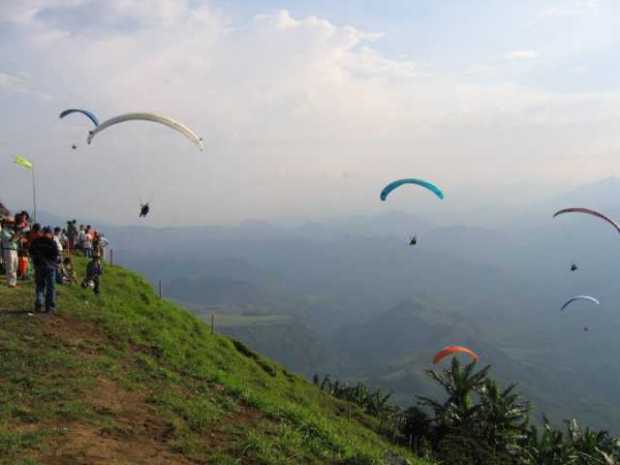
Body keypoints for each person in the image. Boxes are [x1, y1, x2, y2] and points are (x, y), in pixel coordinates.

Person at [29, 227, 60, 313]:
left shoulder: (36, 242)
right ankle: (49, 307)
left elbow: (31, 252)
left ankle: (39, 303)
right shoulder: (52, 243)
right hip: (50, 268)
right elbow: (56, 255)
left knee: (40, 286)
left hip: (39, 267)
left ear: (43, 232)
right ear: (50, 233)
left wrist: (35, 262)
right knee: (51, 288)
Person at [1, 218, 20, 288]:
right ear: (6, 223)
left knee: (15, 266)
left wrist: (19, 236)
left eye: (12, 223)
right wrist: (16, 234)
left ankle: (14, 282)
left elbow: (16, 240)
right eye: (10, 223)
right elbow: (10, 239)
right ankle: (10, 283)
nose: (12, 224)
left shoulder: (12, 231)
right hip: (8, 250)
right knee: (10, 266)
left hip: (14, 250)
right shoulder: (4, 231)